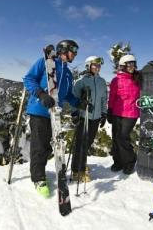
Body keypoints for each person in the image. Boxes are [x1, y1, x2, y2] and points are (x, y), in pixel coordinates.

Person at [23, 39, 84, 198]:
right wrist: (41, 94)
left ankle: (41, 171)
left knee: (50, 146)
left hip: (55, 114)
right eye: (73, 51)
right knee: (39, 146)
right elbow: (28, 79)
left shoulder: (69, 73)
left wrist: (79, 103)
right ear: (64, 50)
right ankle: (38, 179)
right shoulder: (45, 63)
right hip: (39, 110)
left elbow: (68, 95)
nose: (75, 54)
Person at [71, 56, 108, 182]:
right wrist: (75, 113)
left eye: (99, 65)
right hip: (83, 116)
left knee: (88, 143)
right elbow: (74, 98)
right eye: (94, 65)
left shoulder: (102, 82)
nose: (97, 67)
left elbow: (104, 100)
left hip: (96, 117)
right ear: (88, 66)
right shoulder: (81, 81)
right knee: (80, 143)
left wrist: (103, 114)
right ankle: (77, 170)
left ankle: (81, 164)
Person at [108, 54, 141, 175]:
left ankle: (129, 162)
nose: (132, 66)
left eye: (133, 64)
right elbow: (112, 97)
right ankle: (118, 161)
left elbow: (151, 81)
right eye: (129, 64)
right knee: (116, 138)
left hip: (131, 113)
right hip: (117, 112)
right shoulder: (116, 80)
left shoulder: (138, 78)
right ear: (123, 66)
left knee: (123, 137)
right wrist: (109, 110)